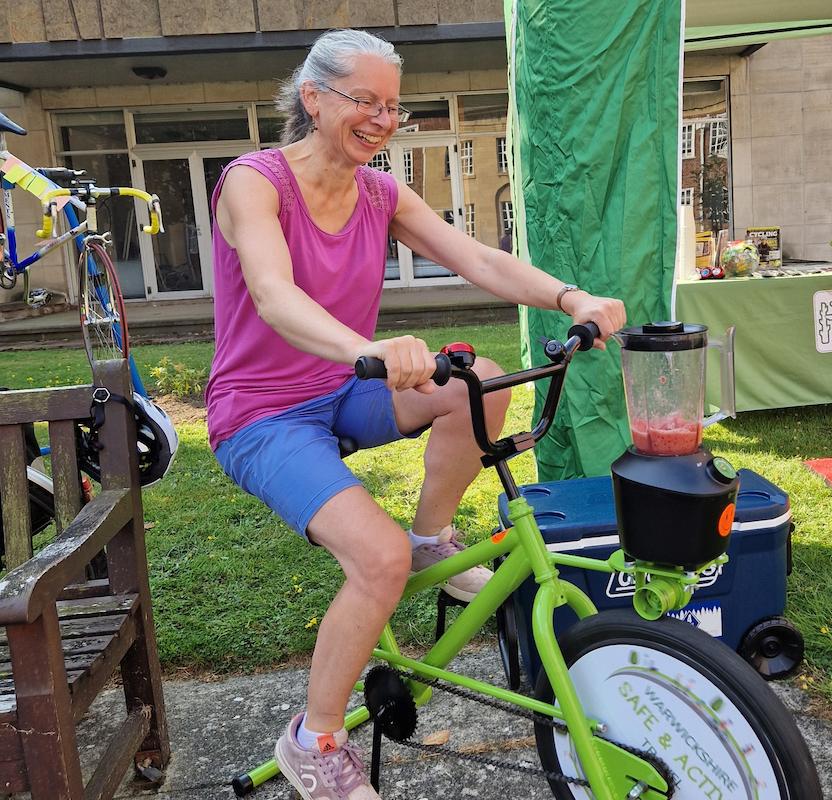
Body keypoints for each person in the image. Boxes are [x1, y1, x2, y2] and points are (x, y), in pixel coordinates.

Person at [206, 29, 626, 800]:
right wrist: (365, 346)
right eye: (365, 100)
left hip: (346, 387)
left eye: (393, 105)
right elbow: (273, 294)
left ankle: (433, 536)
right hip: (262, 412)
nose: (382, 118)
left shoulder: (379, 192)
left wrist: (572, 296)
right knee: (376, 559)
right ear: (314, 98)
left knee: (486, 380)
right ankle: (313, 739)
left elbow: (480, 259)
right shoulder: (253, 183)